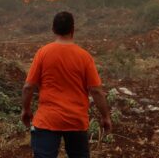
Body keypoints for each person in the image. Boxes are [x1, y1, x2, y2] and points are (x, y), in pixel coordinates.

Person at [21, 11, 111, 158]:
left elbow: (28, 87)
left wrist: (26, 110)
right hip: (76, 120)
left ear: (53, 29)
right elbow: (96, 91)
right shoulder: (84, 57)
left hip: (47, 120)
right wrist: (105, 116)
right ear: (73, 30)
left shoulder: (43, 53)